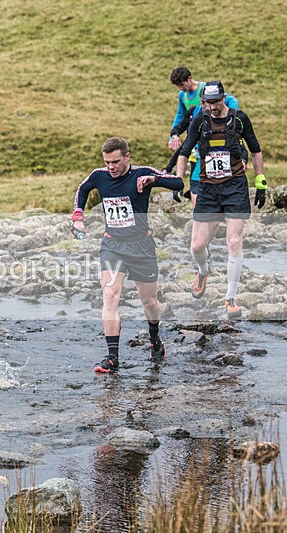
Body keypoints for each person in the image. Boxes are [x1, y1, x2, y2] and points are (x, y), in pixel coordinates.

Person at [72, 137, 184, 373]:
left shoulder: (141, 173)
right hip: (113, 246)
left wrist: (155, 179)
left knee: (149, 302)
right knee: (110, 296)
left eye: (115, 162)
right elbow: (83, 189)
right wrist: (78, 214)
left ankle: (155, 339)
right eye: (107, 162)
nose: (111, 167)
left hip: (141, 246)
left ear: (126, 157)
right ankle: (112, 357)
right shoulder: (99, 176)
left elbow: (178, 183)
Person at [174, 80, 266, 319]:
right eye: (207, 102)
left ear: (224, 98)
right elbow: (184, 151)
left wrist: (260, 181)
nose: (212, 107)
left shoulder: (239, 119)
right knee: (196, 246)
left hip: (235, 186)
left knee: (234, 242)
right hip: (207, 189)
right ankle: (203, 271)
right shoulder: (200, 120)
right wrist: (177, 180)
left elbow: (256, 149)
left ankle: (230, 298)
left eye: (215, 102)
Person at [167, 66, 239, 204]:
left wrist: (228, 122)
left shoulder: (207, 89)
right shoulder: (183, 95)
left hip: (213, 139)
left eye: (182, 84)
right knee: (195, 170)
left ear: (189, 78)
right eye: (178, 86)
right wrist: (173, 136)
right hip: (195, 139)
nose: (180, 88)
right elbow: (180, 115)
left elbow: (232, 101)